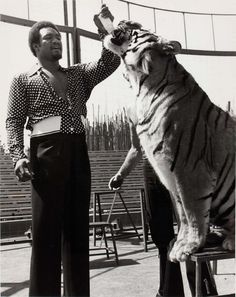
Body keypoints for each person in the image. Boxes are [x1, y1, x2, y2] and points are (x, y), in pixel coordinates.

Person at [6, 5, 120, 297]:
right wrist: (18, 155)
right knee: (45, 236)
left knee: (77, 233)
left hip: (78, 154)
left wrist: (107, 29)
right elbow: (13, 121)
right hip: (45, 155)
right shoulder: (22, 80)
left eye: (59, 37)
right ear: (35, 46)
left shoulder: (79, 75)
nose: (57, 41)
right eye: (49, 38)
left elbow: (109, 62)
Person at [109, 118, 218, 297]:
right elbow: (136, 148)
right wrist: (121, 174)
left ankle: (205, 292)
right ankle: (169, 292)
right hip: (151, 170)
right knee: (161, 236)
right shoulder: (133, 109)